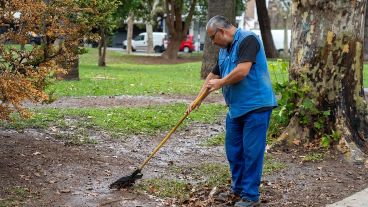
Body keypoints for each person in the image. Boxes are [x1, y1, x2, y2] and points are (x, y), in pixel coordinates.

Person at [186, 15, 277, 207]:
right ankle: (238, 189)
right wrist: (197, 100)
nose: (212, 42)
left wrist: (221, 83)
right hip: (236, 109)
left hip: (256, 106)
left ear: (222, 31)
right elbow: (213, 76)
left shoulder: (248, 39)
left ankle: (251, 196)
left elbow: (243, 70)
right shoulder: (224, 51)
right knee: (234, 151)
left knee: (252, 152)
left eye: (212, 37)